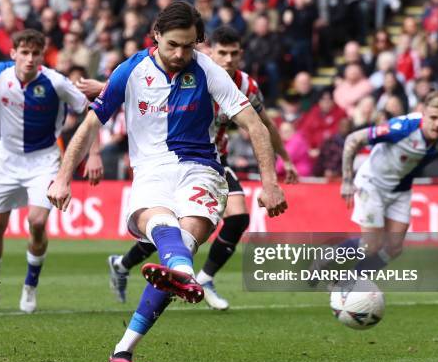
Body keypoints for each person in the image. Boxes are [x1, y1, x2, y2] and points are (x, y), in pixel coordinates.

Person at [47, 1, 287, 362]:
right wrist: (64, 175)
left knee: (183, 241)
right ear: (156, 35)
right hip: (151, 172)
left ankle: (144, 322)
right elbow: (91, 124)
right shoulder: (130, 71)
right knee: (165, 232)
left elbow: (255, 125)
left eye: (188, 46)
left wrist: (269, 184)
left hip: (201, 168)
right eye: (173, 44)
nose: (180, 54)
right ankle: (127, 347)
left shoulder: (208, 70)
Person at [99, 25, 297, 310]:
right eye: (222, 53)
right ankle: (124, 264)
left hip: (214, 161)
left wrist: (285, 160)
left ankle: (202, 277)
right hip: (175, 160)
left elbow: (263, 125)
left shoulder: (246, 86)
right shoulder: (194, 75)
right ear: (209, 52)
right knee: (172, 226)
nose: (228, 60)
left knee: (238, 217)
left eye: (234, 54)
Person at [0, 29, 91, 314]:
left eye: (36, 54)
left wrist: (92, 153)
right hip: (7, 159)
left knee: (36, 222)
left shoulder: (56, 82)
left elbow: (90, 109)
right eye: (24, 53)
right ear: (13, 54)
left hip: (44, 160)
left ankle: (30, 286)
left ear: (42, 56)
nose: (30, 59)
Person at [310, 91, 438, 286]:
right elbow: (353, 139)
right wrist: (347, 180)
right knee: (371, 245)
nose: (437, 124)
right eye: (433, 118)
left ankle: (349, 280)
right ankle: (328, 255)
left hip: (401, 189)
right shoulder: (402, 128)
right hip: (372, 183)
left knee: (394, 247)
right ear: (423, 114)